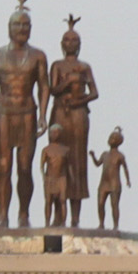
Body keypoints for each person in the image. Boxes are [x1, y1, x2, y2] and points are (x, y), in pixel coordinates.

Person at [0, 0, 51, 228]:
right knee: (4, 167)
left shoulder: (38, 56)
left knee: (24, 167)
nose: (22, 29)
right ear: (9, 28)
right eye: (18, 25)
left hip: (27, 113)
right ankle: (2, 216)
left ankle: (23, 214)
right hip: (4, 114)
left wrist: (42, 115)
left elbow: (43, 86)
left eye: (26, 25)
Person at [43, 16, 99, 228]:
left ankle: (75, 215)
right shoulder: (57, 66)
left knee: (77, 161)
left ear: (80, 45)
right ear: (61, 44)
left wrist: (78, 101)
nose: (70, 44)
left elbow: (94, 93)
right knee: (57, 160)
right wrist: (68, 82)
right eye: (67, 40)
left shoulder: (85, 67)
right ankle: (58, 214)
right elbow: (53, 89)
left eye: (74, 40)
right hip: (60, 114)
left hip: (78, 117)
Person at [94, 128, 131, 232]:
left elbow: (125, 168)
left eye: (114, 138)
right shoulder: (105, 154)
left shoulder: (120, 156)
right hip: (104, 182)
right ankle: (101, 223)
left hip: (114, 183)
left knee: (114, 204)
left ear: (119, 142)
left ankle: (115, 225)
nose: (111, 140)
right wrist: (93, 156)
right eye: (110, 137)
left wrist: (128, 180)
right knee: (100, 203)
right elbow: (98, 163)